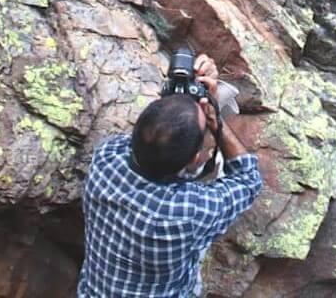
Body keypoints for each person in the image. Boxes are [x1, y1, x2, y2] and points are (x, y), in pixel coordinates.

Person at [78, 54, 262, 298]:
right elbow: (248, 179)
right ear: (196, 158)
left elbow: (157, 131)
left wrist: (178, 98)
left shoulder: (106, 158)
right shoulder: (189, 214)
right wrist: (216, 120)